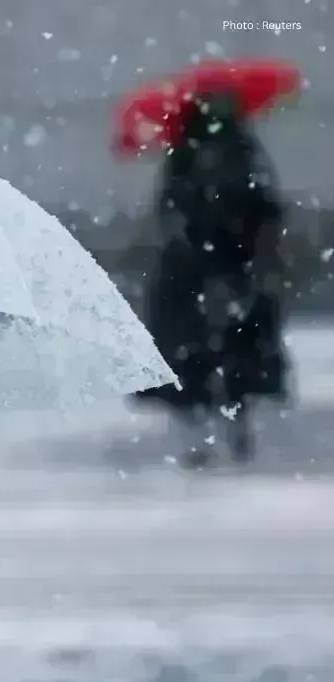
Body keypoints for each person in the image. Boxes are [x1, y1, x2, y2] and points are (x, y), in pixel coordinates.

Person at [134, 92, 288, 467]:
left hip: (196, 269)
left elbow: (171, 207)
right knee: (238, 351)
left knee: (194, 353)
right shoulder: (243, 150)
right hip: (234, 265)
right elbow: (265, 205)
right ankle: (233, 425)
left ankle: (202, 431)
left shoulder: (186, 152)